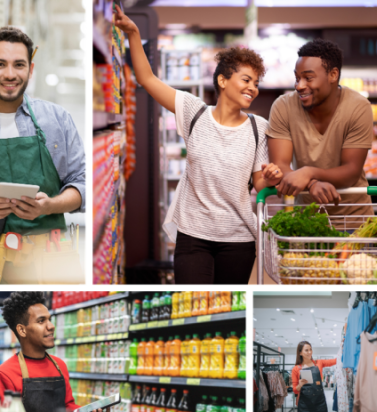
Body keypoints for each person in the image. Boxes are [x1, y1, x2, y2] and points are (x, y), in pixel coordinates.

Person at [114, 5, 282, 285]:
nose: (253, 88)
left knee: (230, 306)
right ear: (223, 80)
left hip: (238, 237)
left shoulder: (258, 127)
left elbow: (258, 183)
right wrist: (133, 32)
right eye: (246, 79)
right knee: (193, 301)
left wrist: (271, 176)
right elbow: (147, 79)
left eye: (256, 82)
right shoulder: (195, 112)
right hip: (193, 235)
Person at [0, 26, 87, 286]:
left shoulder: (57, 120)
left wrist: (50, 206)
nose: (10, 74)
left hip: (52, 260)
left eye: (19, 65)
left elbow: (83, 184)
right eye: (0, 64)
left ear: (30, 70)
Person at [267, 38, 373, 218]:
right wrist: (312, 184)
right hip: (308, 221)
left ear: (332, 75)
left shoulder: (358, 106)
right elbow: (280, 165)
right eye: (297, 78)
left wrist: (309, 172)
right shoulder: (283, 106)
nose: (299, 85)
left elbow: (351, 171)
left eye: (308, 78)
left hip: (355, 221)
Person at [0, 292, 108, 412]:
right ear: (22, 330)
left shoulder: (59, 366)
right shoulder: (2, 376)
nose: (51, 326)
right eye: (41, 321)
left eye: (49, 319)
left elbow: (67, 405)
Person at [291, 341, 337, 412]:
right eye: (306, 350)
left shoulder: (318, 363)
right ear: (300, 353)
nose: (310, 352)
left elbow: (335, 361)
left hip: (320, 403)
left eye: (310, 349)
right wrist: (299, 385)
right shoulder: (296, 369)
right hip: (304, 404)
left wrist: (344, 350)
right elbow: (295, 391)